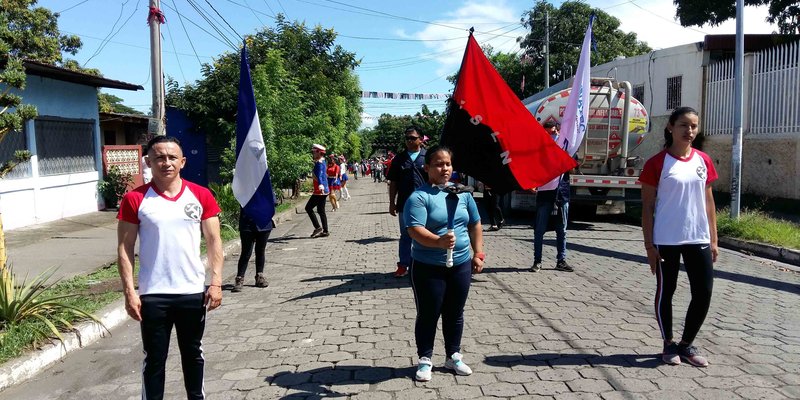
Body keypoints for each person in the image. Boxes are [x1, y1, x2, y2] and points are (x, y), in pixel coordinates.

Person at [117, 135, 223, 400]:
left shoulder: (201, 195)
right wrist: (130, 292)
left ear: (182, 161)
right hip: (153, 295)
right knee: (154, 360)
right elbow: (125, 248)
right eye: (160, 158)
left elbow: (214, 242)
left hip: (191, 292)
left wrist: (216, 282)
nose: (166, 163)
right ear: (149, 162)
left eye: (172, 157)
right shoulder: (135, 199)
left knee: (193, 355)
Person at [640, 106, 718, 368]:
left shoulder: (703, 161)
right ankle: (668, 343)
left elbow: (708, 203)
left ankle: (686, 344)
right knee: (666, 291)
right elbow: (648, 208)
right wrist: (650, 246)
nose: (690, 131)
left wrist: (714, 240)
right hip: (666, 239)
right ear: (670, 128)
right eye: (684, 125)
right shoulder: (656, 164)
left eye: (694, 126)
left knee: (704, 292)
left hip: (698, 237)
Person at [404, 145, 484, 382]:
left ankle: (453, 356)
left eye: (448, 163)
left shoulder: (463, 194)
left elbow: (475, 224)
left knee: (455, 313)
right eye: (438, 164)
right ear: (427, 167)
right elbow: (414, 230)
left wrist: (478, 253)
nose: (444, 168)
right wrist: (438, 242)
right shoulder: (419, 197)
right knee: (429, 313)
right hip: (428, 267)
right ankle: (425, 359)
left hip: (460, 265)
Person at [531, 121, 573, 272]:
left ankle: (561, 261)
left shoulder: (564, 146)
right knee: (539, 229)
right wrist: (532, 183)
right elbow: (532, 166)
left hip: (561, 194)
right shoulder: (539, 148)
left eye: (553, 132)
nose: (551, 136)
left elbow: (572, 163)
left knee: (562, 230)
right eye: (548, 133)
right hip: (544, 194)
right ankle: (537, 261)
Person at [387, 126, 428, 278]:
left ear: (420, 139)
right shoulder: (399, 158)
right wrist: (392, 202)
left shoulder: (428, 156)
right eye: (407, 138)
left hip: (426, 204)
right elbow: (394, 182)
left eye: (412, 138)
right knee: (405, 235)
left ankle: (424, 265)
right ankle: (403, 265)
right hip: (405, 204)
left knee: (426, 235)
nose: (409, 141)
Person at [233, 208, 273, 292]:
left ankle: (259, 276)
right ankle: (239, 278)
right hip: (247, 224)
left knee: (260, 251)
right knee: (246, 252)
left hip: (264, 223)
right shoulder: (245, 194)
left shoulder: (265, 194)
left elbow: (272, 202)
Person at [306, 144, 330, 237]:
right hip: (324, 189)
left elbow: (320, 175)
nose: (313, 153)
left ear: (319, 152)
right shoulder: (322, 161)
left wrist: (320, 185)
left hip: (320, 190)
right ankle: (325, 230)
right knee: (321, 210)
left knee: (308, 208)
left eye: (314, 152)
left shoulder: (319, 163)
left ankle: (317, 227)